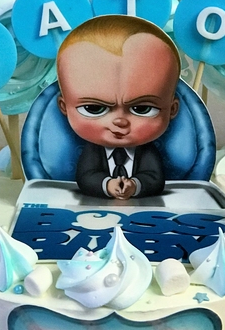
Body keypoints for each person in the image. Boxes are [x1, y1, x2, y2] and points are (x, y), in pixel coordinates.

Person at [57, 15, 180, 200]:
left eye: (142, 109)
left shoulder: (147, 152)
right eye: (93, 108)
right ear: (64, 107)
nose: (120, 121)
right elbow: (86, 177)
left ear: (172, 109)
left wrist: (135, 185)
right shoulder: (93, 151)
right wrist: (107, 185)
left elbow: (155, 179)